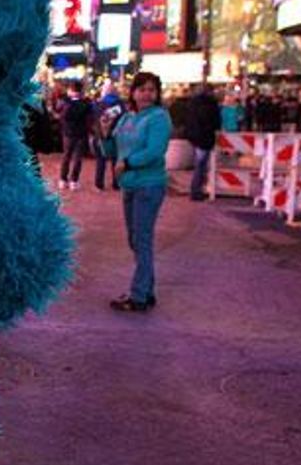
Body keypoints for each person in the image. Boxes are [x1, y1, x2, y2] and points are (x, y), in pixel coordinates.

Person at [104, 72, 172, 312]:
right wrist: (104, 133)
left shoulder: (159, 118)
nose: (146, 94)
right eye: (141, 89)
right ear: (132, 92)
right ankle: (146, 290)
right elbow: (111, 150)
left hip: (149, 185)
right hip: (130, 185)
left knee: (142, 240)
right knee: (135, 240)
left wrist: (128, 163)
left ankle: (139, 296)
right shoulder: (126, 118)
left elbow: (155, 151)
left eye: (151, 90)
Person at [183, 83, 222, 201]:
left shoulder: (193, 103)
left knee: (200, 163)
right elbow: (213, 120)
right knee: (201, 165)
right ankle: (196, 191)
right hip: (204, 136)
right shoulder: (210, 104)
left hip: (194, 136)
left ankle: (197, 189)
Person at [57, 81, 91, 191]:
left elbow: (61, 117)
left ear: (71, 90)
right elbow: (89, 119)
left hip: (68, 133)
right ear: (81, 91)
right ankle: (74, 181)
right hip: (81, 134)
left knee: (66, 157)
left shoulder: (65, 103)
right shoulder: (86, 104)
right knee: (77, 159)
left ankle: (63, 180)